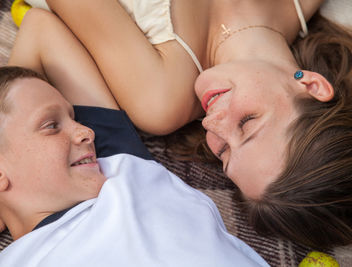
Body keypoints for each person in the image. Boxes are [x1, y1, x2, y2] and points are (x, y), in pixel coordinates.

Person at [0, 12, 268, 265]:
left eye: (73, 117)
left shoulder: (119, 171)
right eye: (51, 125)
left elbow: (39, 26)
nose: (86, 130)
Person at [38, 0, 352, 249]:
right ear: (311, 85)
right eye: (247, 122)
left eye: (225, 151)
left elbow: (42, 27)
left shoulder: (160, 98)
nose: (214, 124)